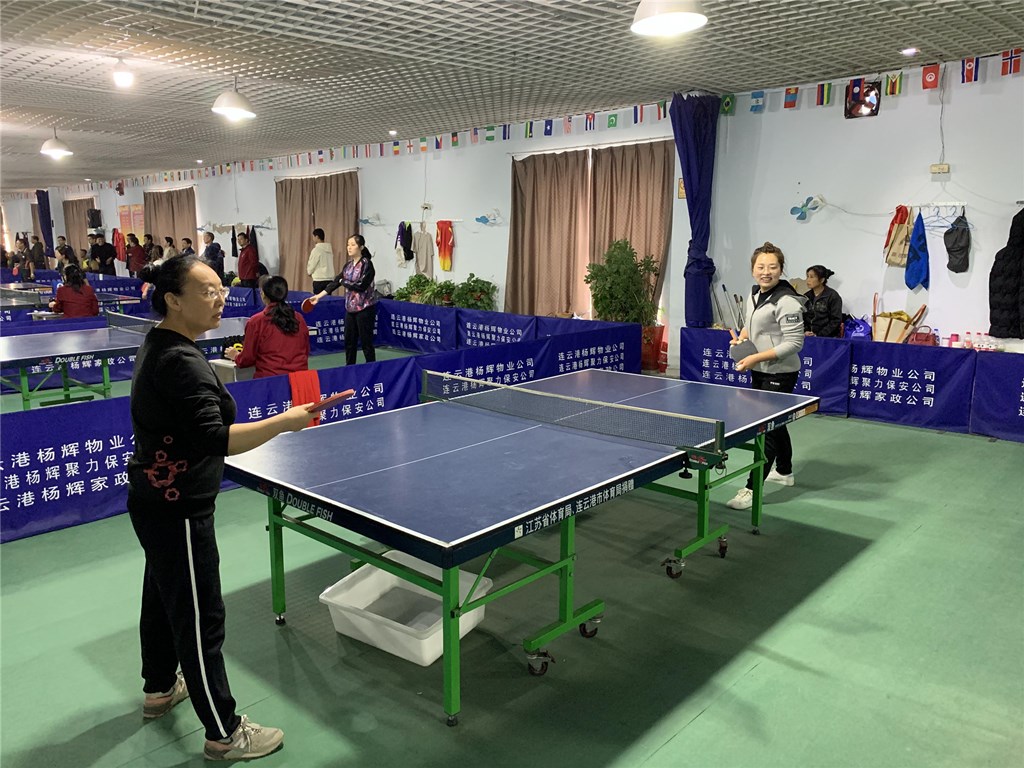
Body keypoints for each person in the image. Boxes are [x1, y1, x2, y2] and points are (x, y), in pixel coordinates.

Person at [128, 255, 314, 761]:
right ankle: (224, 732)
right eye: (207, 291)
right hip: (179, 507)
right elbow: (216, 438)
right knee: (199, 616)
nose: (221, 298)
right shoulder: (180, 361)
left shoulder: (162, 342)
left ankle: (159, 687)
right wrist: (286, 421)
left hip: (155, 500)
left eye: (221, 289)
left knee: (161, 597)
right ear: (173, 299)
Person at [726, 241, 806, 510]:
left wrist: (754, 358)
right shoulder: (754, 295)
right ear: (753, 270)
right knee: (776, 424)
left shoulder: (787, 302)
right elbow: (752, 326)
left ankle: (751, 488)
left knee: (766, 430)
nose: (766, 272)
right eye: (761, 267)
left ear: (781, 270)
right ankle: (784, 471)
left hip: (780, 373)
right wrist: (742, 338)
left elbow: (794, 343)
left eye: (772, 267)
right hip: (760, 370)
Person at [306, 234, 376, 365]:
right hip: (350, 309)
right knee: (349, 342)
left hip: (365, 309)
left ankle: (371, 367)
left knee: (366, 342)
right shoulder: (348, 266)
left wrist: (343, 281)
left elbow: (360, 286)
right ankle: (349, 367)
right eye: (348, 245)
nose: (349, 247)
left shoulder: (367, 264)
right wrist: (318, 296)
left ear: (361, 247)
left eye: (353, 245)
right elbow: (335, 282)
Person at [224, 276, 309, 378]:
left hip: (270, 381)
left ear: (263, 294)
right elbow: (306, 350)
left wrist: (236, 356)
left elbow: (247, 359)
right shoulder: (299, 318)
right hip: (301, 380)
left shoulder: (256, 322)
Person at [803, 266, 843, 337]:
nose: (808, 280)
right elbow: (803, 317)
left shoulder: (832, 296)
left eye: (811, 277)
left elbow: (836, 320)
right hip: (808, 336)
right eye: (807, 276)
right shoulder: (806, 296)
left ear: (822, 280)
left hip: (827, 337)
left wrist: (819, 335)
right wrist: (805, 331)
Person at [306, 228, 335, 295]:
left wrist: (309, 272)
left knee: (318, 300)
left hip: (319, 280)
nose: (313, 238)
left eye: (313, 236)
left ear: (317, 237)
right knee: (328, 299)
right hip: (329, 279)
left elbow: (312, 264)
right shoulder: (329, 250)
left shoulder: (316, 250)